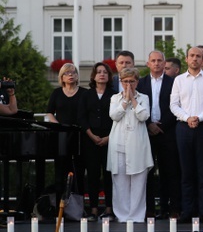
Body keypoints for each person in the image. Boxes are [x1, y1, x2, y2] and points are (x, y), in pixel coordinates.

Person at [170, 47, 203, 222]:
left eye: (199, 56)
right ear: (186, 58)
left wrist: (199, 117)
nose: (195, 59)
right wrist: (187, 118)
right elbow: (173, 105)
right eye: (192, 56)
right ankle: (187, 211)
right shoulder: (179, 80)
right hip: (183, 128)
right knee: (186, 172)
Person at [137, 51, 181, 219]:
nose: (156, 63)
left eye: (159, 61)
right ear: (148, 63)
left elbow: (176, 105)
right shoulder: (141, 83)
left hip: (167, 132)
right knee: (147, 173)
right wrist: (149, 124)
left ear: (164, 64)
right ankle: (149, 209)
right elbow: (137, 106)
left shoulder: (174, 82)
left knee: (170, 172)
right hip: (146, 133)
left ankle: (172, 208)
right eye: (153, 61)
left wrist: (162, 124)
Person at [108, 67, 154, 223]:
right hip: (119, 144)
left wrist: (133, 100)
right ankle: (122, 216)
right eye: (125, 81)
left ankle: (136, 216)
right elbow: (114, 115)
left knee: (138, 182)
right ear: (120, 82)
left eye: (131, 81)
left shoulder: (144, 98)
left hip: (138, 145)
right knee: (120, 183)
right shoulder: (115, 98)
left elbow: (144, 116)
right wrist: (125, 101)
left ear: (137, 82)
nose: (128, 85)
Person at [79, 62, 115, 222]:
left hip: (110, 139)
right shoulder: (86, 95)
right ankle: (93, 209)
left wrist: (108, 138)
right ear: (93, 76)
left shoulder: (114, 95)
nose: (102, 74)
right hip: (90, 140)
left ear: (109, 76)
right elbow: (82, 117)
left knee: (109, 175)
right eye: (99, 72)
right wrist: (92, 136)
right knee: (92, 175)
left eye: (105, 72)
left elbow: (118, 119)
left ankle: (109, 209)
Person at [47, 63, 87, 198]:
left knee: (79, 170)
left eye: (73, 72)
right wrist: (58, 126)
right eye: (66, 73)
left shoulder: (84, 93)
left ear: (77, 76)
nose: (70, 75)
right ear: (61, 77)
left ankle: (79, 204)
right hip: (61, 136)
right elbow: (49, 113)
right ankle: (60, 205)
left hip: (80, 136)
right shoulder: (56, 93)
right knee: (61, 170)